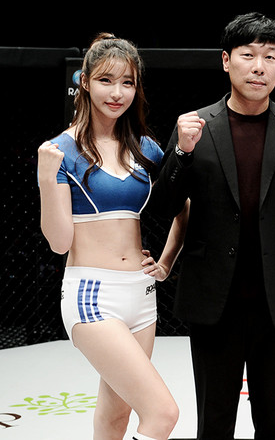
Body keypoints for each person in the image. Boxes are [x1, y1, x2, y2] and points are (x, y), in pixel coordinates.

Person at [152, 12, 275, 440]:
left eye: (269, 56)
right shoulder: (195, 126)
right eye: (248, 55)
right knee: (214, 423)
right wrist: (181, 153)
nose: (259, 66)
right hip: (214, 299)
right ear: (225, 61)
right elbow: (162, 208)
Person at [36, 33, 178, 440]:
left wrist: (166, 261)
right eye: (106, 80)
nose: (117, 93)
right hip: (92, 296)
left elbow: (183, 205)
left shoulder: (146, 148)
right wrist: (47, 179)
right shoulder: (60, 151)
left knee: (116, 417)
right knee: (163, 414)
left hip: (142, 295)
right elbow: (59, 243)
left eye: (127, 82)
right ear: (84, 82)